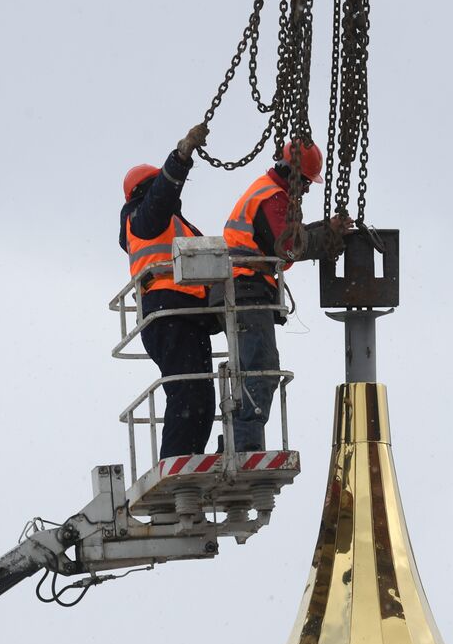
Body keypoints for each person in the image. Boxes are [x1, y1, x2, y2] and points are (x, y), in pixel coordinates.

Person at [221, 140, 353, 451]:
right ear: (293, 175)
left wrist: (324, 228)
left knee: (251, 367)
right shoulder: (273, 198)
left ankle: (237, 441)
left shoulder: (266, 191)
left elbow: (287, 238)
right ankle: (245, 445)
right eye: (306, 181)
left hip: (239, 288)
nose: (306, 189)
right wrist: (329, 236)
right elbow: (289, 246)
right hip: (247, 289)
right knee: (261, 366)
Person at [120, 123, 214, 459]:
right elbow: (162, 194)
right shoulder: (144, 218)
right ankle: (177, 459)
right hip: (169, 314)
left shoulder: (169, 225)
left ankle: (189, 456)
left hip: (184, 315)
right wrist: (181, 156)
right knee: (187, 392)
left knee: (200, 394)